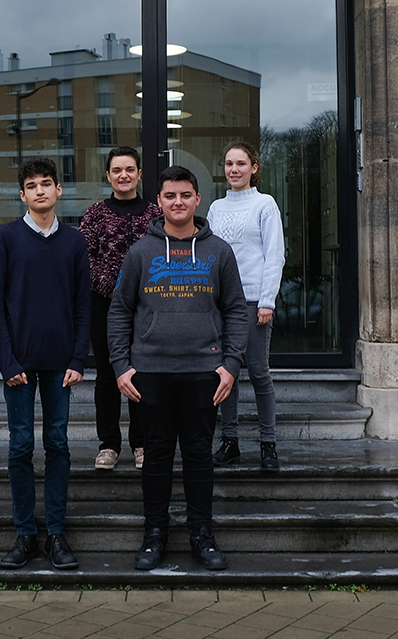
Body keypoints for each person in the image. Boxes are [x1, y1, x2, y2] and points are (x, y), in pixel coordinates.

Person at [109, 165, 249, 572]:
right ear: (159, 201)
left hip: (204, 372)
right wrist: (121, 365)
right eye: (170, 196)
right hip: (150, 373)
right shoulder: (140, 253)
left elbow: (236, 311)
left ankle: (202, 535)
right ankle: (154, 534)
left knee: (198, 454)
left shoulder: (219, 251)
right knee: (155, 455)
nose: (178, 202)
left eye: (185, 195)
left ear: (197, 199)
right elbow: (119, 311)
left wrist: (230, 366)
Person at [0, 156, 90, 571]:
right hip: (20, 365)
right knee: (21, 446)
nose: (41, 190)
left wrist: (79, 357)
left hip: (61, 364)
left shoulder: (74, 241)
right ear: (23, 195)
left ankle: (57, 534)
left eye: (47, 183)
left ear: (58, 190)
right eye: (33, 185)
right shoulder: (6, 237)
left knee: (59, 445)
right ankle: (25, 534)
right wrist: (7, 362)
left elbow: (83, 306)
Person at [78, 146, 162, 471]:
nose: (123, 175)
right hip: (105, 307)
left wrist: (140, 293)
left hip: (148, 308)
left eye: (129, 169)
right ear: (109, 175)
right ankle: (109, 445)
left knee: (142, 374)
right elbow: (84, 259)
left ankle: (141, 443)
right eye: (117, 170)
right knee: (107, 375)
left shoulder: (155, 214)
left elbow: (163, 255)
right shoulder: (96, 214)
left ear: (139, 174)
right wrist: (113, 290)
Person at [208, 142, 287, 471]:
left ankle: (268, 443)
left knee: (258, 372)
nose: (234, 169)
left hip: (254, 300)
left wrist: (267, 300)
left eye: (241, 163)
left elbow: (275, 254)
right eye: (229, 163)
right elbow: (209, 257)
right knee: (225, 373)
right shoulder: (215, 208)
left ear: (254, 167)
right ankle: (230, 441)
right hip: (221, 303)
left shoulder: (265, 205)